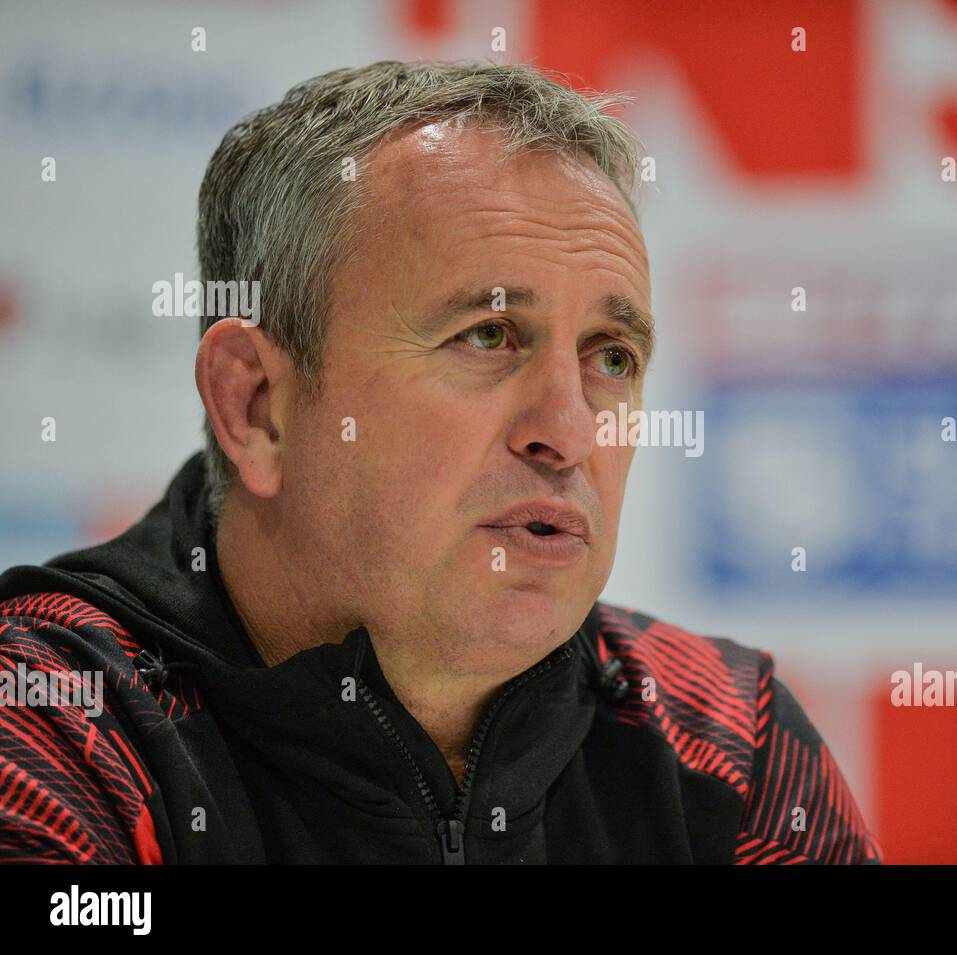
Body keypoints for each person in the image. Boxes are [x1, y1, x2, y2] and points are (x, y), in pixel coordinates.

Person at [0, 61, 881, 864]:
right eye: (488, 336)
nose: (568, 434)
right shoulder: (51, 721)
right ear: (257, 407)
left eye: (611, 355)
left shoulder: (728, 739)